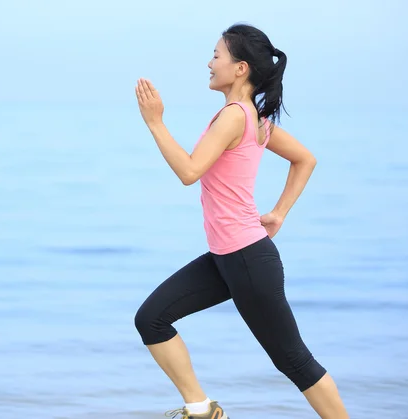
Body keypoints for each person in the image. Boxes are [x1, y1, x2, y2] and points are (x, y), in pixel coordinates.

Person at [134, 23, 349, 419]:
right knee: (152, 319)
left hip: (248, 259)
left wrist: (155, 122)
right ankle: (202, 411)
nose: (209, 63)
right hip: (227, 257)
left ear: (240, 68)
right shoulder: (255, 119)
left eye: (217, 55)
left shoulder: (236, 117)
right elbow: (306, 160)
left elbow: (189, 172)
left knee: (295, 362)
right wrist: (278, 213)